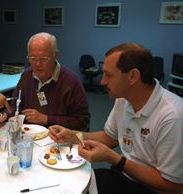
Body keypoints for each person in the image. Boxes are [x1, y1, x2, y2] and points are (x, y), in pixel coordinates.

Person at [49, 43, 183, 194]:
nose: (102, 81)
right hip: (123, 174)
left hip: (150, 188)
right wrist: (72, 135)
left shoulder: (173, 117)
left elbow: (172, 186)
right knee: (66, 182)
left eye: (109, 75)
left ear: (133, 76)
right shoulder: (123, 99)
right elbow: (109, 137)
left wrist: (114, 159)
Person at [11, 32, 90, 131]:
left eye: (43, 59)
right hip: (29, 136)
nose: (37, 64)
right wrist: (6, 114)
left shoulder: (71, 81)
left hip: (58, 139)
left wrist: (46, 119)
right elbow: (15, 105)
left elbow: (82, 122)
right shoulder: (27, 75)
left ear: (55, 55)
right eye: (32, 58)